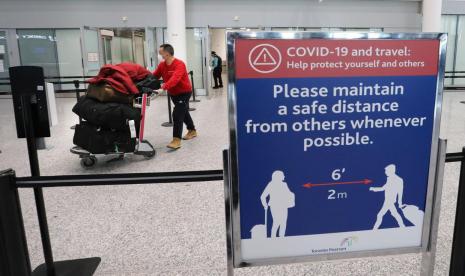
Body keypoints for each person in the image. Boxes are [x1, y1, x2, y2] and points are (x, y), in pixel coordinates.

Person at [154, 44, 197, 150]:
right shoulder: (162, 65)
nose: (159, 55)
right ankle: (192, 130)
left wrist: (163, 87)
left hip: (184, 92)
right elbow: (154, 76)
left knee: (177, 113)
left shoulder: (179, 64)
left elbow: (175, 79)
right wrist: (145, 81)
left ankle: (176, 140)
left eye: (160, 53)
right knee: (183, 111)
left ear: (167, 54)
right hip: (173, 94)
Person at [370, 164, 406, 229]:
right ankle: (403, 226)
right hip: (387, 200)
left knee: (380, 215)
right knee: (395, 214)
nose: (385, 172)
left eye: (386, 171)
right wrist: (373, 189)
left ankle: (374, 230)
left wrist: (399, 203)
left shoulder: (398, 180)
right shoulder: (389, 179)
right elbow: (383, 188)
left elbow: (400, 192)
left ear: (391, 171)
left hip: (390, 201)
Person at [260, 170, 295, 238]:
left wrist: (291, 195)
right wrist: (265, 205)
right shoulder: (271, 184)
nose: (284, 176)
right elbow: (263, 196)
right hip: (274, 205)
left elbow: (288, 193)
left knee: (283, 223)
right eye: (282, 175)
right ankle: (273, 238)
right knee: (277, 222)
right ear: (278, 176)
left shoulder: (284, 184)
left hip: (284, 205)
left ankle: (281, 238)